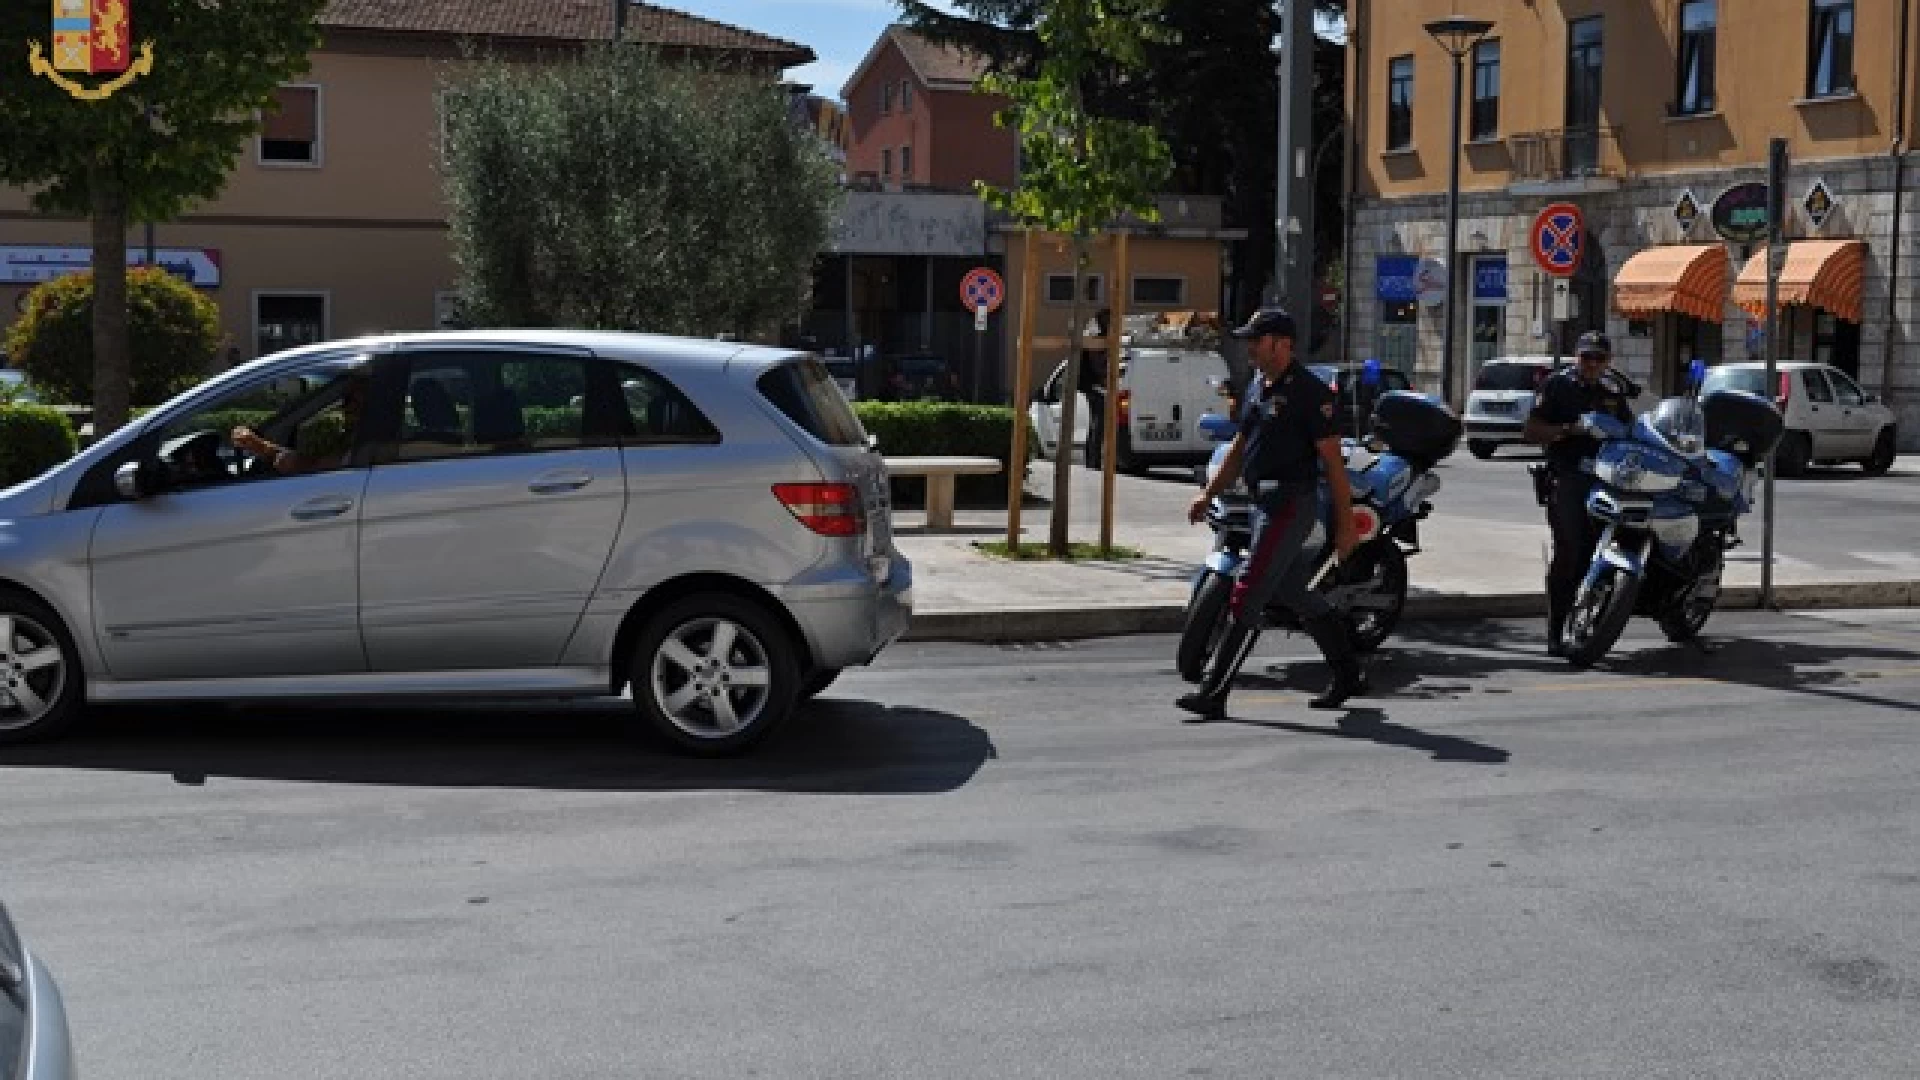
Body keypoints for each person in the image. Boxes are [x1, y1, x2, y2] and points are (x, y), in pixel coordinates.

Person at [1177, 306, 1364, 723]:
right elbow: (1241, 449)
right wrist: (1208, 494)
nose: (1249, 347)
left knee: (1248, 591)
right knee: (1294, 592)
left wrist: (1347, 526)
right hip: (1261, 502)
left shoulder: (1312, 395)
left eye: (1256, 340)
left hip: (1290, 504)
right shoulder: (1258, 387)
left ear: (1281, 344)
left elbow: (1333, 465)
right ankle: (1349, 673)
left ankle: (1214, 691)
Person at [1523, 330, 1636, 657]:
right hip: (1567, 476)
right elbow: (1530, 431)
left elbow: (1631, 429)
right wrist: (1569, 430)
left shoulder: (1613, 393)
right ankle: (1556, 628)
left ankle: (1590, 620)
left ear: (1608, 362)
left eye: (1599, 359)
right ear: (1577, 356)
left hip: (1605, 480)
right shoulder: (1558, 386)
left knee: (1594, 554)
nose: (1592, 364)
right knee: (1569, 553)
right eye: (1587, 357)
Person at [232, 369, 368, 476]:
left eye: (354, 401)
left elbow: (316, 467)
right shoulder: (355, 436)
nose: (346, 407)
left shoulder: (371, 444)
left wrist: (261, 447)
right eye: (346, 401)